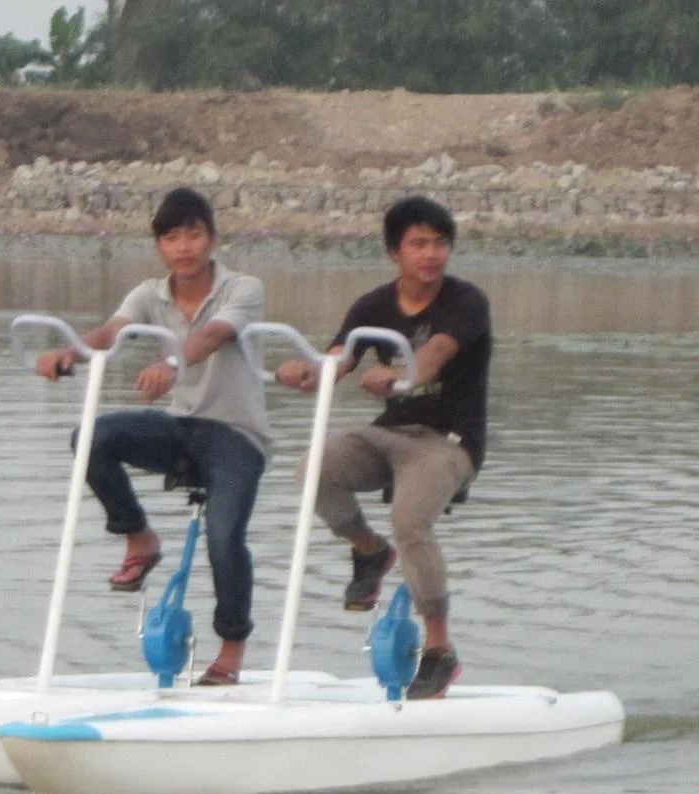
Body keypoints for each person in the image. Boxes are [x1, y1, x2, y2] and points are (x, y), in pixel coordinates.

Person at [35, 186, 269, 686]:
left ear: (211, 240)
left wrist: (170, 362)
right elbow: (110, 331)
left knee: (225, 538)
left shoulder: (241, 289)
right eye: (171, 237)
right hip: (183, 430)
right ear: (159, 246)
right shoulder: (149, 294)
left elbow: (212, 337)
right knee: (91, 439)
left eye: (193, 235)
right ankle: (139, 538)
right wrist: (69, 353)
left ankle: (229, 653)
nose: (183, 247)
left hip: (236, 436)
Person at [275, 195, 491, 699]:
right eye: (418, 244)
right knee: (313, 472)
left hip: (448, 442)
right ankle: (370, 552)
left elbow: (434, 356)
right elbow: (336, 360)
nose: (431, 254)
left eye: (440, 243)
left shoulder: (466, 301)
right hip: (390, 433)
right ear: (395, 252)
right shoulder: (373, 305)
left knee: (410, 521)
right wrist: (304, 371)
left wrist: (401, 374)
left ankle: (439, 650)